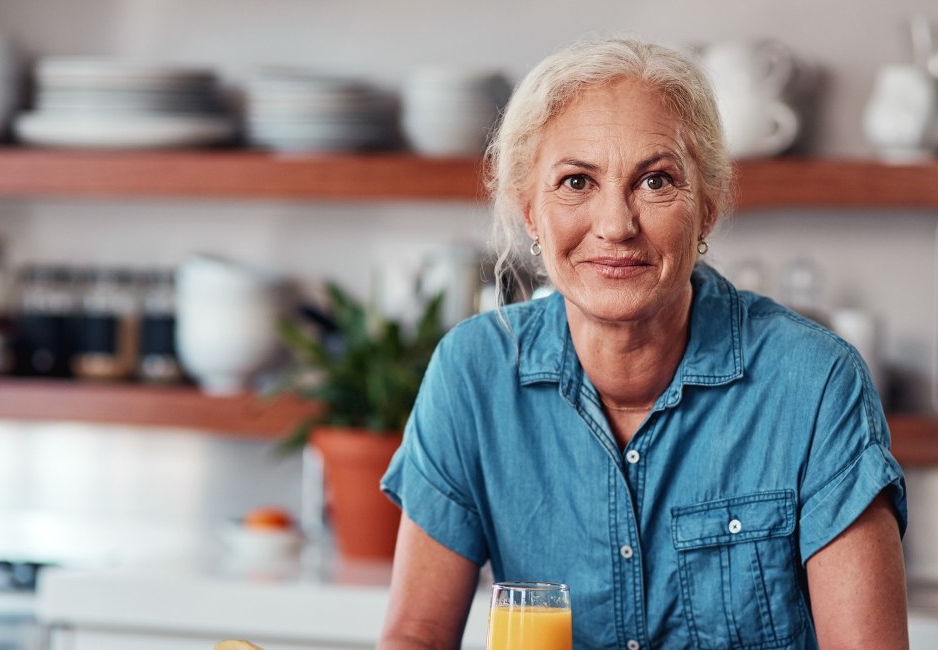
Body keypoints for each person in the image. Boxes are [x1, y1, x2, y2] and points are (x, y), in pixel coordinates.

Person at [379, 37, 908, 650]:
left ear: (707, 207)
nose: (615, 225)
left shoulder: (814, 384)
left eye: (655, 181)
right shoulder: (473, 374)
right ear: (530, 210)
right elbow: (415, 636)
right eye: (576, 181)